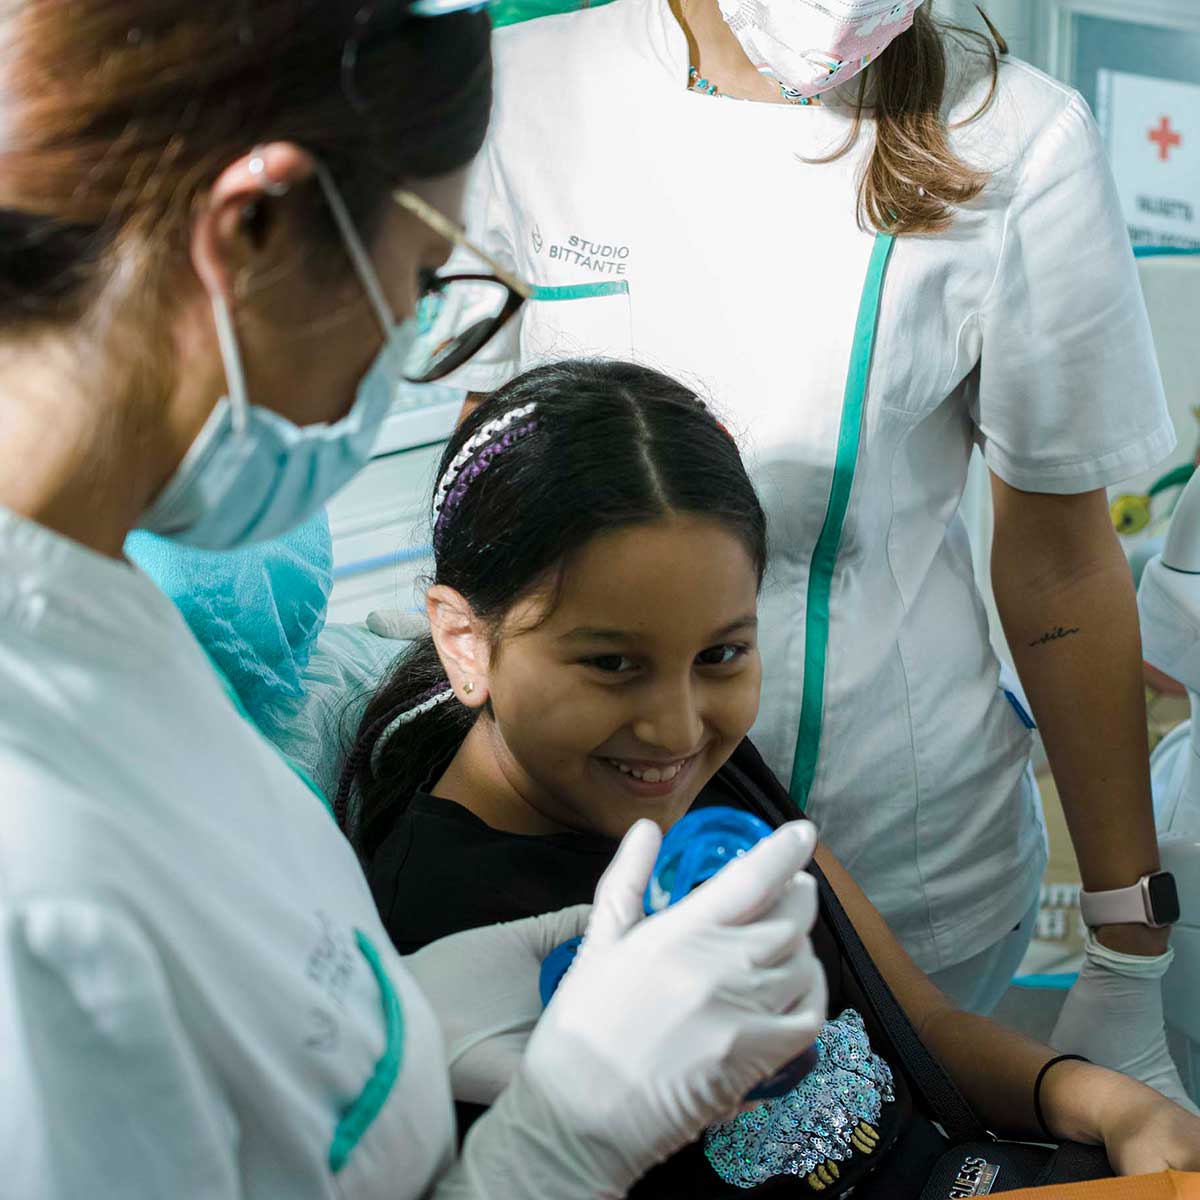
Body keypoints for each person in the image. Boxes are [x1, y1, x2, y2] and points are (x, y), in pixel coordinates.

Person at [0, 5, 827, 1197]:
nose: (411, 341)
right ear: (258, 225)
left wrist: (402, 1021)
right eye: (422, 281)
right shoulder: (35, 861)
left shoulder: (92, 598)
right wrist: (561, 1143)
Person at [436, 0, 1190, 1100]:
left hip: (901, 859)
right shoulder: (521, 93)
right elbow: (485, 482)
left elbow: (1062, 569)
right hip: (576, 845)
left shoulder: (1015, 137)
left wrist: (1128, 943)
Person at [335, 358, 1200, 1194]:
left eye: (721, 653)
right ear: (463, 642)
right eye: (610, 664)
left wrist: (1103, 1100)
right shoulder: (438, 925)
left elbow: (922, 1025)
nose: (676, 726)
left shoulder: (702, 775)